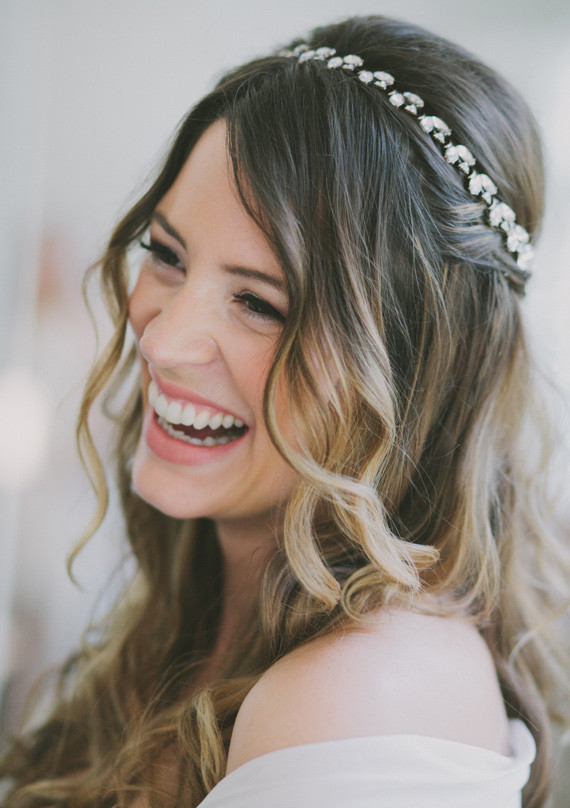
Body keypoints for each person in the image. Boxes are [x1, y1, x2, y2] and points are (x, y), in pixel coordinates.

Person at [1, 14, 568, 808]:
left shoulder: (358, 695)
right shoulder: (206, 614)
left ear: (411, 369)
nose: (162, 342)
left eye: (261, 304)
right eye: (166, 254)